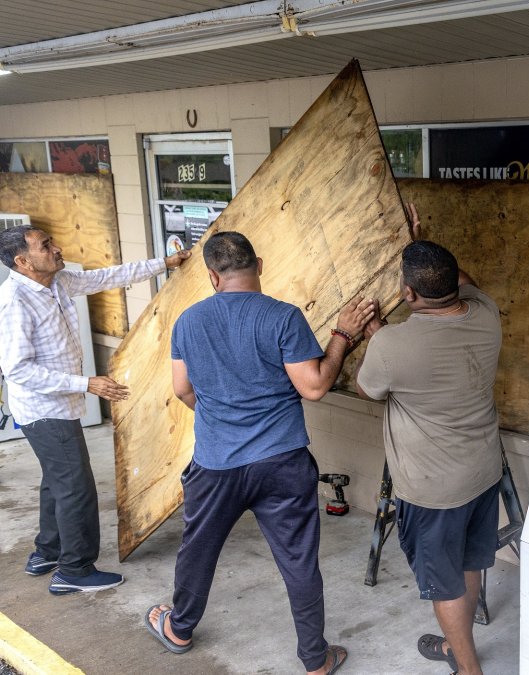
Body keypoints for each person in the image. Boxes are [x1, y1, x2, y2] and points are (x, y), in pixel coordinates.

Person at [142, 231, 375, 675]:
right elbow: (314, 385)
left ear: (212, 276)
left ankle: (179, 628)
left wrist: (222, 416)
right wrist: (343, 335)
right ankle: (315, 659)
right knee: (298, 560)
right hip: (282, 461)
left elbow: (182, 390)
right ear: (260, 265)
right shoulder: (283, 317)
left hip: (216, 463)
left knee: (198, 549)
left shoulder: (188, 322)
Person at [0, 225, 189, 594]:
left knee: (57, 482)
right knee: (76, 487)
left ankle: (47, 551)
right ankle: (74, 570)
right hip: (45, 410)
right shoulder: (15, 302)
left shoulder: (57, 282)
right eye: (45, 246)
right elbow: (17, 369)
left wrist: (164, 262)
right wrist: (86, 383)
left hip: (59, 406)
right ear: (23, 261)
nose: (57, 249)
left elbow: (107, 276)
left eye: (52, 242)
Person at [355, 214, 502, 675]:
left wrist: (372, 335)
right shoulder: (486, 313)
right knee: (469, 564)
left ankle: (468, 667)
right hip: (482, 474)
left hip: (433, 491)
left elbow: (367, 389)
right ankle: (458, 647)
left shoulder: (391, 345)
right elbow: (465, 281)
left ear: (408, 294)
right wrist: (422, 247)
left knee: (444, 585)